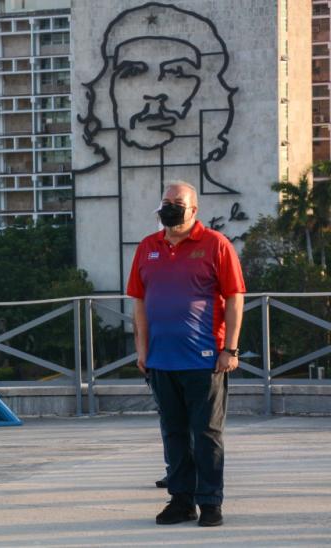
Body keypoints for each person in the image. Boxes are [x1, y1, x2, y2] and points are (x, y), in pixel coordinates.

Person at [128, 182, 245, 527]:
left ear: (194, 210)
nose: (170, 207)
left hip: (205, 359)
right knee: (173, 433)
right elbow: (138, 301)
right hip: (161, 360)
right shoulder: (148, 248)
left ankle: (210, 503)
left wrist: (230, 349)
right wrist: (142, 350)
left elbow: (236, 298)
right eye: (165, 202)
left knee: (207, 433)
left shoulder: (216, 245)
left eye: (177, 203)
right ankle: (180, 500)